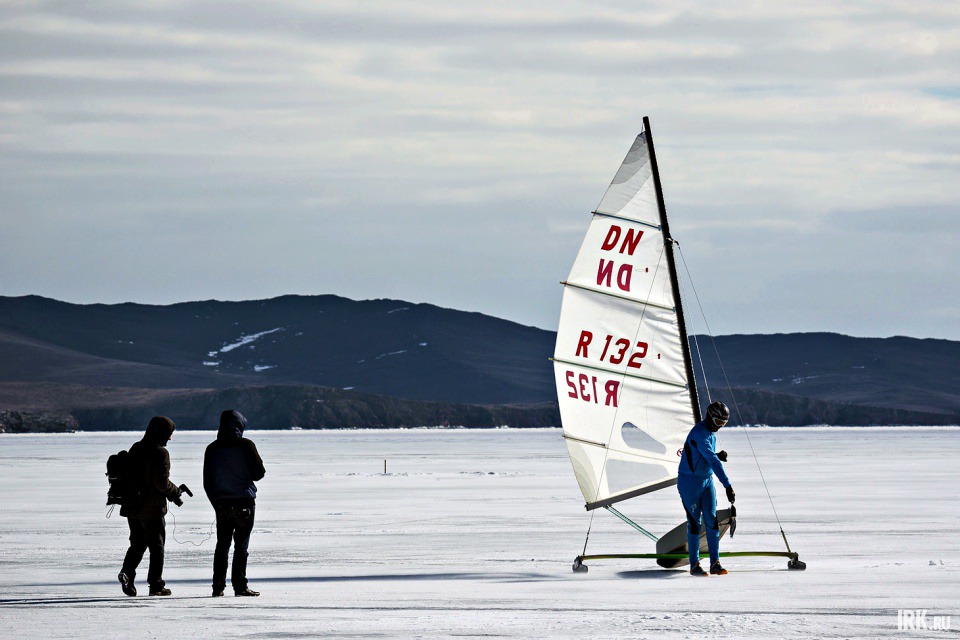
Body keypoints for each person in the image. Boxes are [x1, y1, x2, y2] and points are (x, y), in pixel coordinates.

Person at [118, 416, 184, 596]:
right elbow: (161, 482)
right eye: (169, 433)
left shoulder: (136, 448)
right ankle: (156, 585)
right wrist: (175, 492)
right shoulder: (160, 453)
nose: (170, 438)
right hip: (152, 508)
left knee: (137, 544)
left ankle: (127, 573)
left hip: (132, 507)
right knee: (157, 546)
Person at [203, 410, 265, 597]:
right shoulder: (246, 445)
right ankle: (240, 586)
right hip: (244, 502)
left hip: (222, 503)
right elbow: (259, 473)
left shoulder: (212, 448)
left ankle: (218, 587)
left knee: (222, 546)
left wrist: (216, 503)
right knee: (241, 546)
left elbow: (207, 482)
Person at [677, 400, 735, 577]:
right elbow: (712, 461)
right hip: (689, 483)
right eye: (718, 422)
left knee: (712, 521)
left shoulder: (711, 434)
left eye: (723, 424)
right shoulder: (700, 433)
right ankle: (694, 564)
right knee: (695, 523)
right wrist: (727, 485)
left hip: (706, 482)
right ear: (710, 417)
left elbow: (703, 455)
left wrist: (717, 455)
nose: (719, 427)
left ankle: (715, 563)